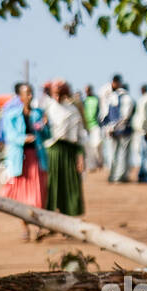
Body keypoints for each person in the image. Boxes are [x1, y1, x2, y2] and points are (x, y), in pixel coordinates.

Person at [1, 82, 49, 241]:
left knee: (38, 195)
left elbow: (47, 135)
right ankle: (24, 227)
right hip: (19, 160)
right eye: (25, 93)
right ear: (20, 96)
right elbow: (10, 136)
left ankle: (39, 226)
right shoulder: (11, 115)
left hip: (36, 158)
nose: (28, 96)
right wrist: (24, 138)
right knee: (21, 196)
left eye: (30, 92)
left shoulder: (38, 113)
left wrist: (44, 126)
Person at [45, 80, 86, 216]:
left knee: (69, 187)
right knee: (51, 187)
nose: (57, 98)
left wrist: (80, 158)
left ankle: (68, 220)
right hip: (51, 153)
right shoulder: (46, 108)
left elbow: (80, 136)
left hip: (69, 153)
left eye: (59, 94)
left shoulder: (72, 110)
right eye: (54, 94)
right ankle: (49, 220)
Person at [104, 75, 135, 182]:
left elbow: (105, 115)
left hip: (112, 130)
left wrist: (110, 127)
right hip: (123, 130)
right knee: (123, 153)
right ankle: (120, 176)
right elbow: (126, 116)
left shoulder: (111, 97)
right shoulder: (127, 98)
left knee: (112, 153)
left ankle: (113, 175)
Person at [82, 84, 103, 171]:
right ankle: (92, 165)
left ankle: (100, 162)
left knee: (97, 144)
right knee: (89, 146)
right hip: (87, 127)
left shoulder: (96, 99)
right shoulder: (84, 101)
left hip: (95, 125)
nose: (86, 92)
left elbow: (100, 111)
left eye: (87, 90)